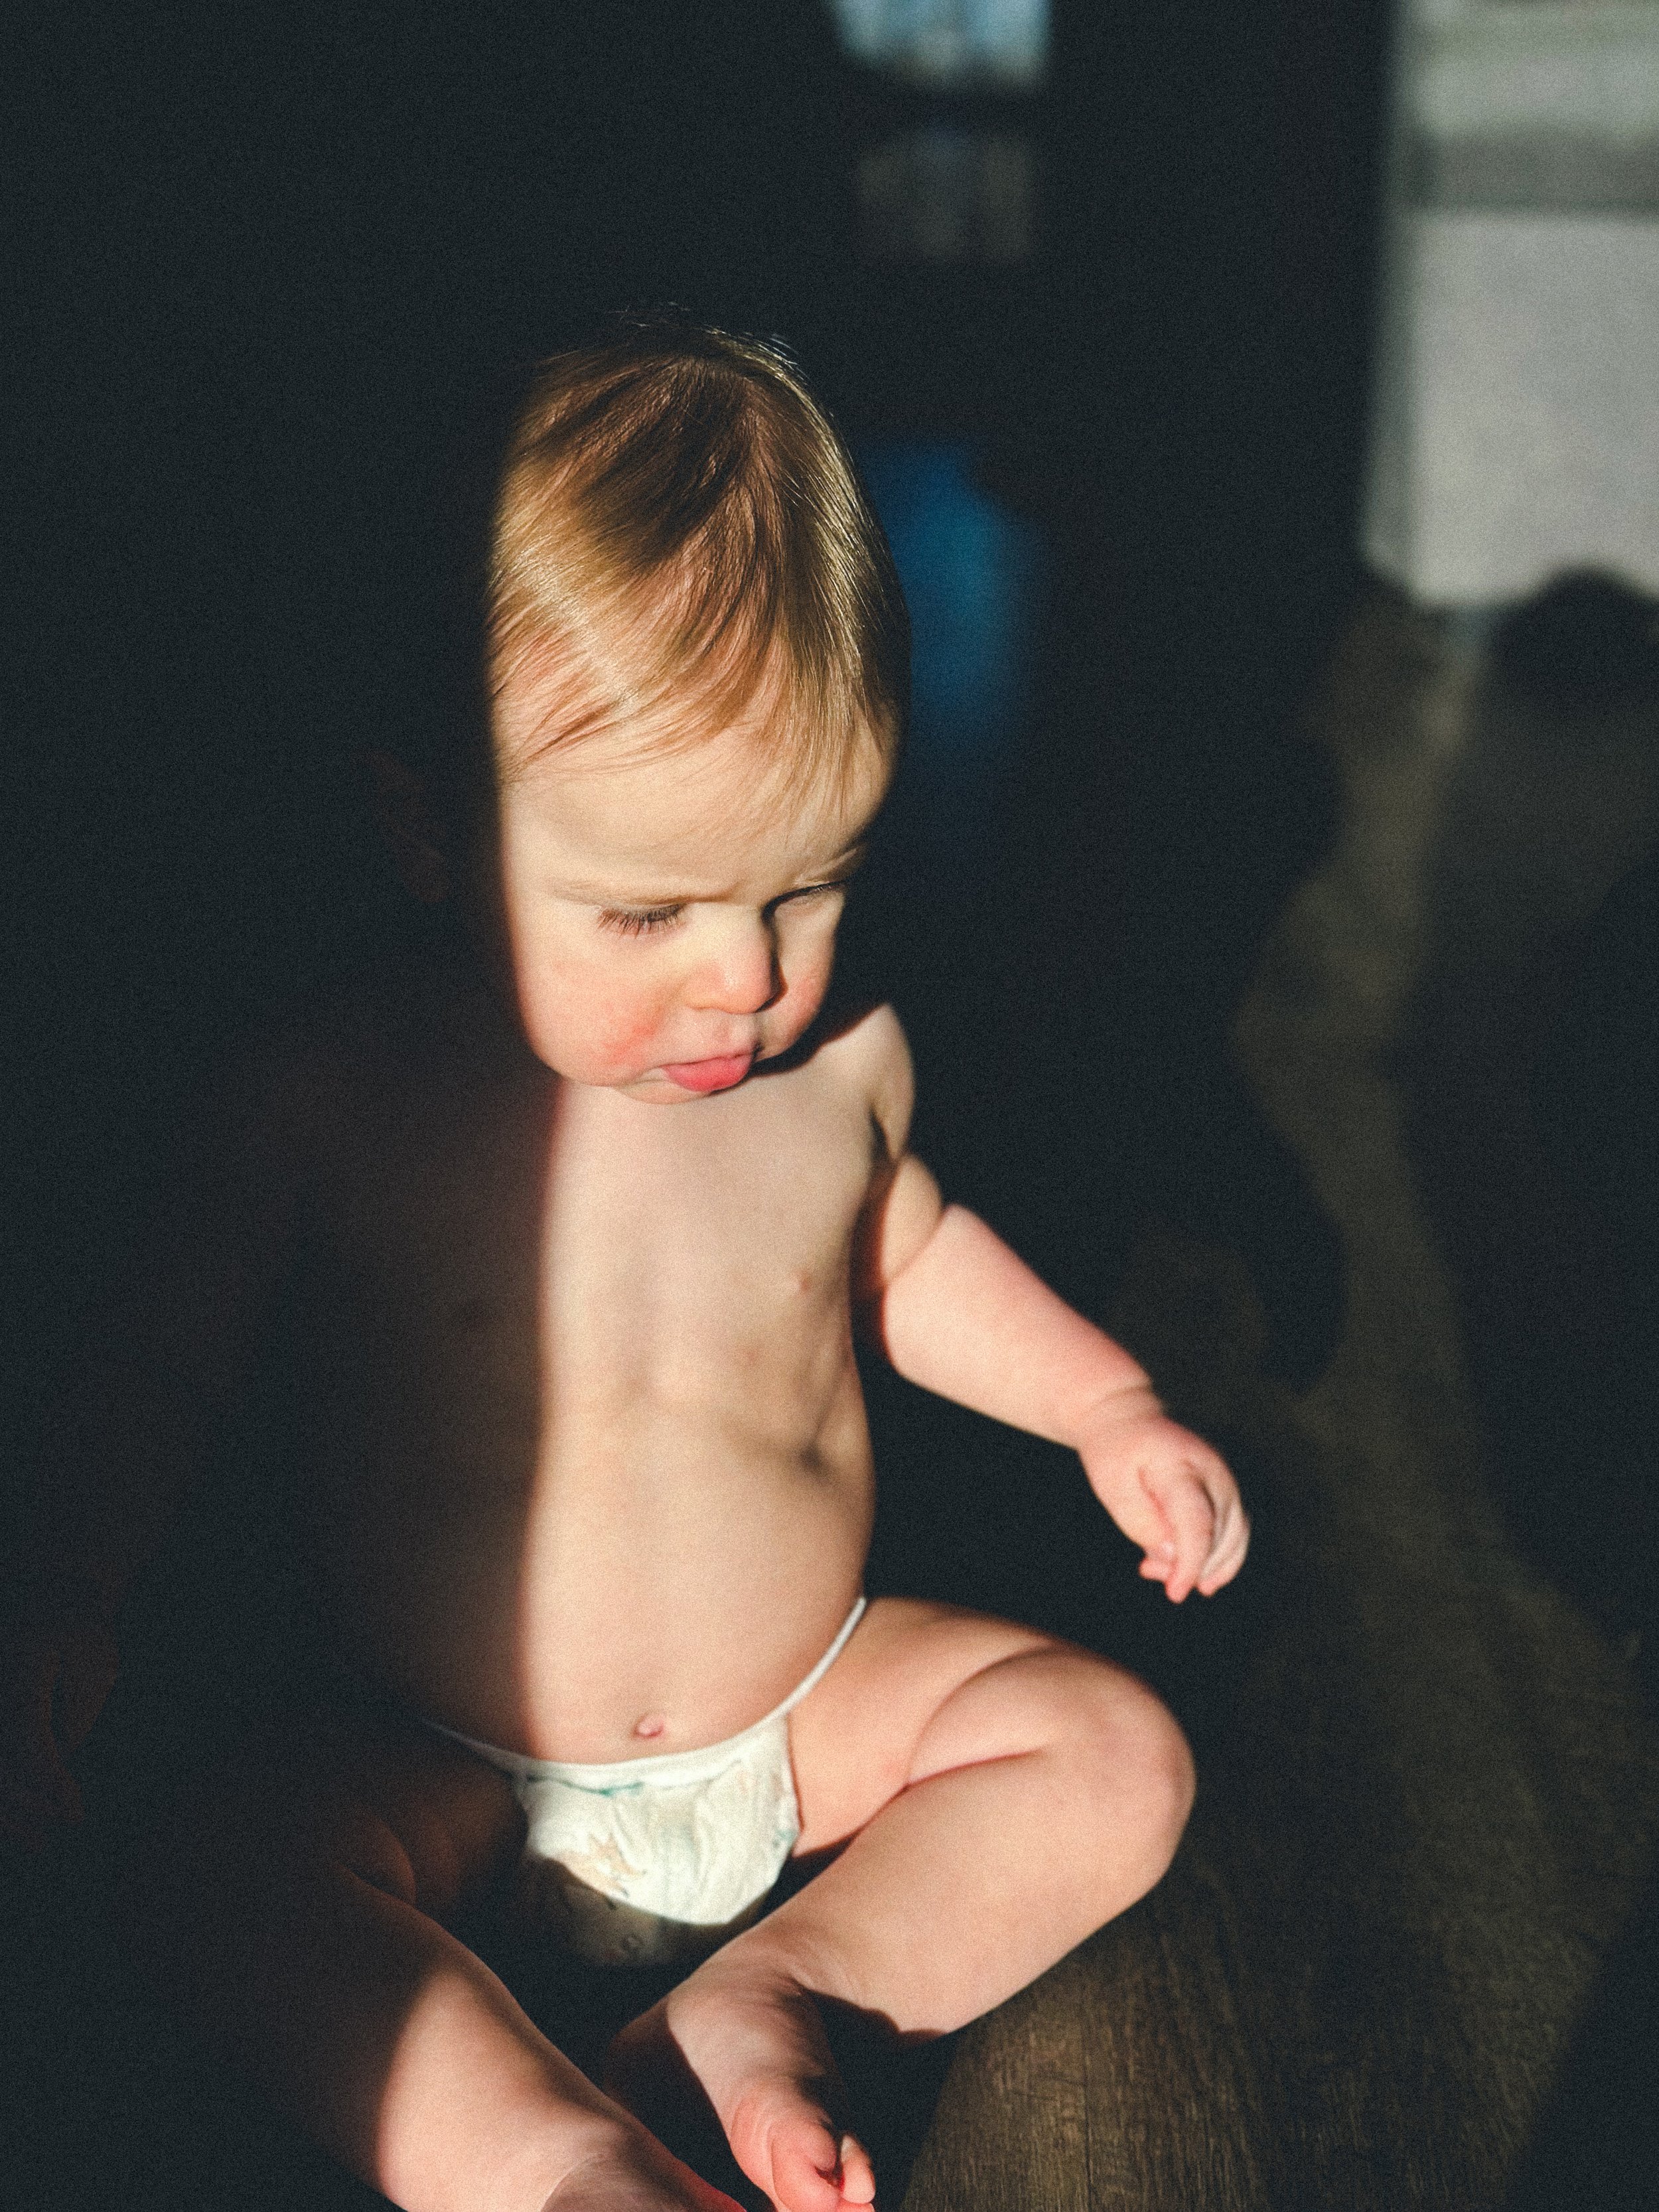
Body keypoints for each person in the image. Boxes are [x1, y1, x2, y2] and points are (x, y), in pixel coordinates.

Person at [1, 322, 1248, 2212]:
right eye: (647, 909)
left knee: (1110, 1755)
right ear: (434, 832)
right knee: (218, 1881)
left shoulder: (843, 1066)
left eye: (804, 886)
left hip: (805, 1715)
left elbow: (906, 1259)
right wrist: (67, 1591)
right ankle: (546, 2156)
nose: (740, 978)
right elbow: (159, 1372)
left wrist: (1105, 1406)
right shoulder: (333, 1094)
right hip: (443, 1773)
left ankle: (773, 1995)